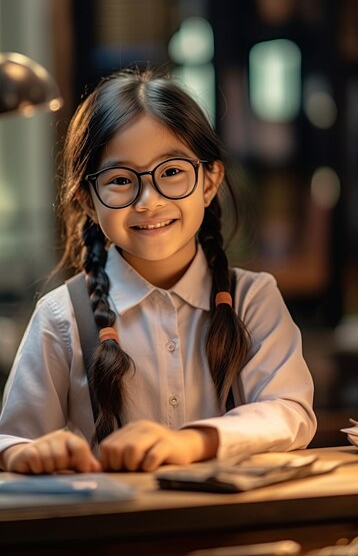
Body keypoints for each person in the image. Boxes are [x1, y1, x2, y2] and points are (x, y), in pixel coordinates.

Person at [0, 69, 316, 474]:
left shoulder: (252, 298)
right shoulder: (61, 317)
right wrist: (25, 454)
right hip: (113, 533)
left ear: (209, 181)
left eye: (170, 172)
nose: (148, 201)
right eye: (119, 179)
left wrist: (190, 442)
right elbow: (13, 438)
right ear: (87, 200)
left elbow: (290, 412)